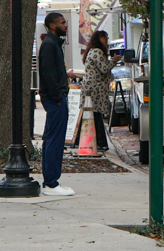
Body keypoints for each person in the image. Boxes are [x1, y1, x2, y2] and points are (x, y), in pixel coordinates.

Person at [37, 12, 74, 196]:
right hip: (54, 99)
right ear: (52, 25)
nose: (65, 25)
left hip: (54, 97)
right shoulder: (50, 45)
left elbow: (52, 72)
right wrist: (58, 96)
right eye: (62, 22)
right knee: (54, 139)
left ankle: (51, 181)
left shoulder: (52, 44)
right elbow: (48, 73)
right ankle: (51, 183)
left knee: (52, 139)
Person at [79, 30, 121, 151]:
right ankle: (100, 142)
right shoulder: (97, 52)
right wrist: (114, 61)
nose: (106, 40)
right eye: (103, 38)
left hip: (93, 88)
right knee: (95, 115)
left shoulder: (92, 51)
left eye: (106, 38)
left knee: (94, 115)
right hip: (95, 90)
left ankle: (98, 142)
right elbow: (104, 68)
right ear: (98, 40)